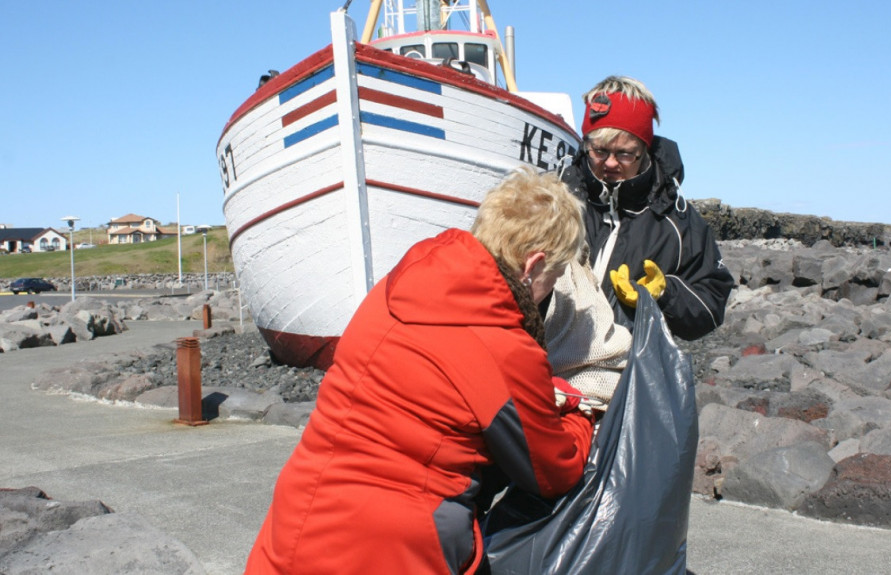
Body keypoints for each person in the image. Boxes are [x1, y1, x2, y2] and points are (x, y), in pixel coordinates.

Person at [244, 167, 595, 575]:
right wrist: (581, 415)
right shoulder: (505, 346)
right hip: (394, 545)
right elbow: (551, 469)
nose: (547, 296)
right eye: (551, 280)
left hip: (301, 512)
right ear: (531, 266)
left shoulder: (398, 286)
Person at [556, 75, 733, 344]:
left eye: (625, 153)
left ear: (645, 148)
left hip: (628, 373)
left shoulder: (677, 220)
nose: (611, 163)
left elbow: (711, 307)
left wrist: (666, 293)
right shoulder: (551, 199)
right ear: (585, 144)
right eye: (600, 151)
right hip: (545, 367)